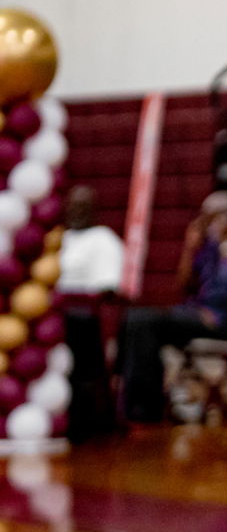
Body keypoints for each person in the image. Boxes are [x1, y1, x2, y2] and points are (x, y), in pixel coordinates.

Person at [117, 191, 227, 423]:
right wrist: (190, 248)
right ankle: (132, 399)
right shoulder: (205, 249)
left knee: (144, 321)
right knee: (134, 320)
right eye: (210, 218)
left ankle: (145, 407)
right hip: (196, 315)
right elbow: (184, 284)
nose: (216, 224)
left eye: (222, 218)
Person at [56, 186, 126, 442]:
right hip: (51, 314)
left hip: (83, 318)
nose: (76, 210)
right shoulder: (58, 238)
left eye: (83, 205)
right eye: (73, 204)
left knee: (75, 322)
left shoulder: (104, 239)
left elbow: (108, 289)